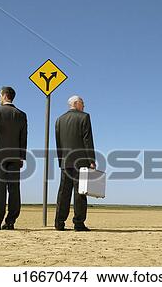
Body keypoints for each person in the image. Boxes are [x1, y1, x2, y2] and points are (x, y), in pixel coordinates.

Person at [0, 86, 27, 230]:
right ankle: (10, 222)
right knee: (14, 189)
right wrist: (22, 157)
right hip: (15, 157)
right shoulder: (21, 114)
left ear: (4, 96)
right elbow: (23, 137)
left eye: (0, 95)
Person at [55, 95, 96, 231]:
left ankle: (59, 223)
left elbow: (58, 144)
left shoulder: (59, 120)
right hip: (81, 161)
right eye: (82, 103)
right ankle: (78, 223)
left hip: (65, 162)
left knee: (63, 193)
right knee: (80, 193)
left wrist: (61, 160)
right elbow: (87, 140)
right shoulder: (84, 117)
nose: (84, 106)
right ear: (76, 103)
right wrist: (91, 160)